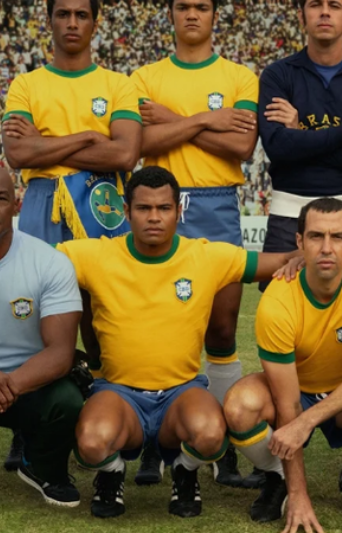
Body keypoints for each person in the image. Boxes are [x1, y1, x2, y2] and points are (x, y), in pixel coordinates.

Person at [59, 166, 342, 519]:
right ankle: (111, 473)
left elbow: (285, 260)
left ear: (179, 211)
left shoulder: (206, 256)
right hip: (119, 393)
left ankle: (185, 469)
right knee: (90, 442)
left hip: (180, 392)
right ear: (126, 211)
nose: (154, 217)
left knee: (210, 434)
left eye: (164, 208)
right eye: (144, 208)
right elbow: (35, 260)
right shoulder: (94, 255)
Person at [0, 0, 141, 478]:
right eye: (63, 14)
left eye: (82, 14)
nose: (73, 22)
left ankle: (113, 414)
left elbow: (125, 155)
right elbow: (18, 154)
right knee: (33, 315)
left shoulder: (118, 84)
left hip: (101, 202)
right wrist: (89, 137)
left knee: (104, 315)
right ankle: (27, 424)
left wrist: (50, 142)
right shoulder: (26, 84)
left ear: (95, 23)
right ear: (50, 21)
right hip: (43, 199)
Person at [130, 0, 259, 487]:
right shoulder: (144, 77)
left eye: (200, 6)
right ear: (170, 14)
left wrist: (171, 120)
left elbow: (241, 147)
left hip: (217, 201)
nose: (191, 14)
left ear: (213, 15)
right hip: (160, 202)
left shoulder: (239, 77)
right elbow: (141, 145)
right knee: (155, 325)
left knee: (221, 329)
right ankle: (154, 441)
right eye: (182, 6)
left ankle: (222, 445)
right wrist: (207, 119)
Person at [223, 198, 342, 530]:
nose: (326, 248)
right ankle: (277, 477)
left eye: (338, 237)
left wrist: (306, 422)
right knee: (239, 405)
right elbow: (287, 403)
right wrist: (298, 493)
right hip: (295, 392)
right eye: (316, 236)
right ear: (300, 241)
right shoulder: (277, 300)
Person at [257, 0, 342, 265]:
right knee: (281, 293)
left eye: (335, 5)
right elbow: (278, 148)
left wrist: (299, 137)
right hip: (288, 214)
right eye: (316, 4)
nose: (325, 12)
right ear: (301, 16)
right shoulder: (277, 75)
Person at [0, 167, 83, 507]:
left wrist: (9, 385)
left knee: (67, 401)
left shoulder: (48, 262)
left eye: (0, 199)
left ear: (16, 204)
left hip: (30, 383)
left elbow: (61, 353)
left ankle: (42, 465)